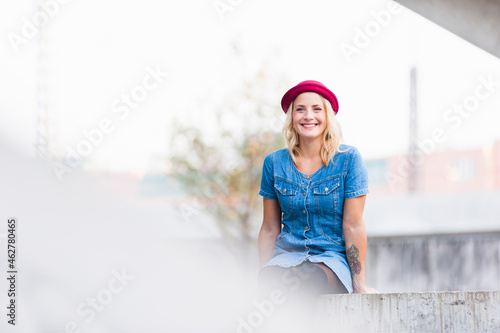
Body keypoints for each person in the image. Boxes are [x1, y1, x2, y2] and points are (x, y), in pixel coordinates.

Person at [257, 80, 378, 299]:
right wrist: (261, 279)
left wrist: (359, 285)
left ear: (327, 116)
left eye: (316, 109)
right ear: (292, 118)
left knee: (308, 280)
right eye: (300, 109)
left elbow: (353, 225)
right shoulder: (274, 163)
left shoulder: (348, 160)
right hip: (285, 257)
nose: (308, 116)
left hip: (329, 260)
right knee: (272, 281)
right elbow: (268, 228)